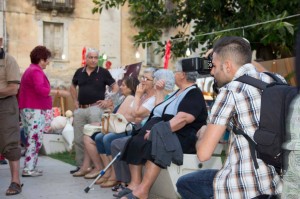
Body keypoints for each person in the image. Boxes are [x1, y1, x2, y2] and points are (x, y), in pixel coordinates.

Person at [176, 36, 283, 199]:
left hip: (244, 187)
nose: (212, 71)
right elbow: (247, 64)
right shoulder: (276, 80)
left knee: (185, 183)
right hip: (276, 183)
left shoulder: (231, 91)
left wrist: (202, 134)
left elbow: (203, 154)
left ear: (227, 66)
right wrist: (225, 53)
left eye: (215, 66)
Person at [119, 60, 208, 199]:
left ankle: (143, 190)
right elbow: (159, 109)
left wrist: (157, 132)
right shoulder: (177, 92)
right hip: (168, 131)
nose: (174, 75)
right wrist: (159, 91)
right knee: (135, 140)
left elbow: (182, 119)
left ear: (183, 75)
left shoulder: (194, 94)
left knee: (157, 143)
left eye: (176, 71)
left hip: (181, 136)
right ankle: (135, 184)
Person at [78, 76, 139, 188]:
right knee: (99, 137)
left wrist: (109, 115)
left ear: (130, 88)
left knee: (105, 138)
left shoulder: (130, 98)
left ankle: (114, 174)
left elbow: (118, 116)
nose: (121, 87)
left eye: (124, 85)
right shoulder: (124, 99)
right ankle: (109, 170)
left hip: (127, 129)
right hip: (121, 128)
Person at [70, 48, 119, 174]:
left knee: (92, 138)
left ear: (98, 59)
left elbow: (115, 87)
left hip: (96, 109)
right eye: (90, 57)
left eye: (95, 57)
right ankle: (82, 166)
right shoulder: (79, 72)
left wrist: (108, 100)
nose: (93, 60)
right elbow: (72, 86)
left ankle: (96, 166)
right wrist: (75, 100)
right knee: (79, 139)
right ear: (86, 59)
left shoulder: (103, 72)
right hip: (80, 109)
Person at [110, 67, 158, 192]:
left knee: (120, 143)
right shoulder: (143, 96)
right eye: (142, 77)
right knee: (115, 143)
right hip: (136, 128)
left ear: (154, 82)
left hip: (143, 130)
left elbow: (136, 113)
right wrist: (136, 110)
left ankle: (129, 182)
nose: (142, 81)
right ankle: (123, 180)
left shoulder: (153, 98)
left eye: (147, 79)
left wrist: (137, 96)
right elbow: (133, 114)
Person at [18, 45, 58, 177]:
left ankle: (31, 167)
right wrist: (59, 92)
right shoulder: (36, 71)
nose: (48, 62)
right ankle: (28, 169)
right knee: (34, 139)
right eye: (47, 59)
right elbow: (41, 90)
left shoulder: (31, 70)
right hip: (34, 109)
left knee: (32, 138)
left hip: (29, 108)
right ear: (41, 59)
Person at [0, 39, 22, 195]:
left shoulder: (9, 60)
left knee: (10, 142)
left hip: (5, 105)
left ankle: (16, 182)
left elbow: (13, 89)